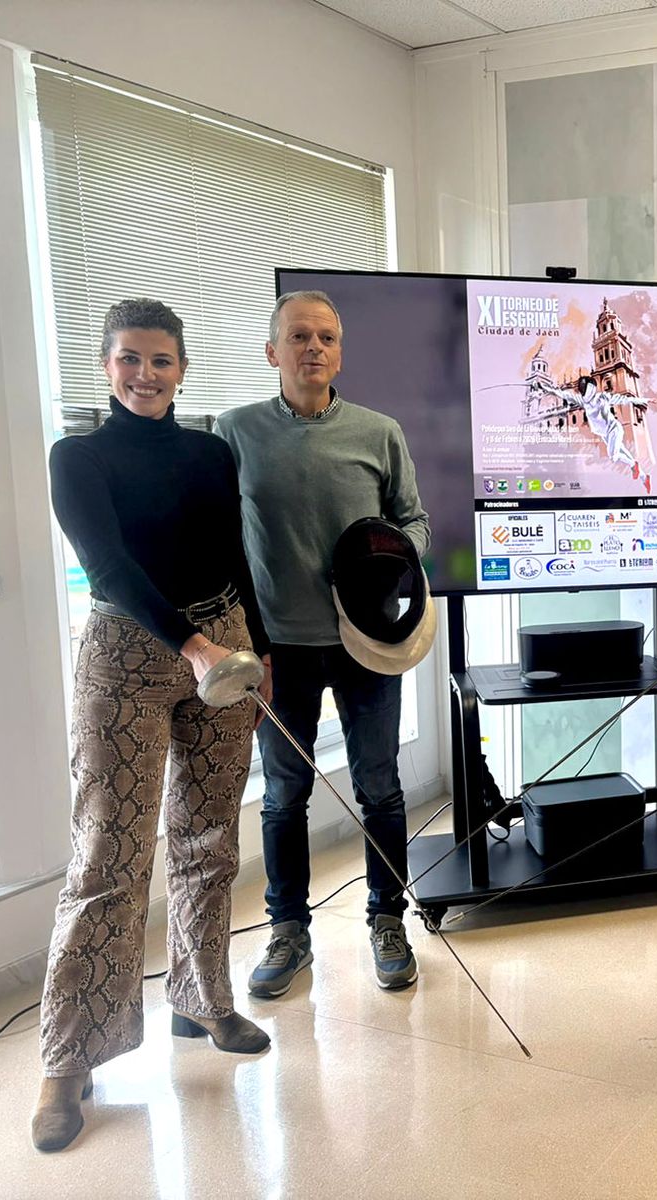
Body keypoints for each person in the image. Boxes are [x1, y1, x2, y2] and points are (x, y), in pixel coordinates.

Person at [35, 299, 272, 1153]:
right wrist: (195, 647)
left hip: (226, 646)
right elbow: (109, 565)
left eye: (161, 361)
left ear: (183, 368)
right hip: (128, 655)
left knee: (210, 839)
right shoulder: (77, 456)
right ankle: (67, 1060)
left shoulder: (210, 452)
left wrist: (258, 647)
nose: (146, 374)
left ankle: (204, 1000)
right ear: (106, 366)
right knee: (109, 852)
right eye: (129, 359)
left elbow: (236, 556)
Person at [215, 291, 430, 997]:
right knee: (284, 795)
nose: (315, 348)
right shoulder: (235, 433)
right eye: (299, 336)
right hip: (280, 650)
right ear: (271, 350)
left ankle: (387, 921)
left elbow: (416, 524)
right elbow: (221, 542)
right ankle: (287, 931)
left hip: (368, 643)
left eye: (328, 338)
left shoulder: (379, 431)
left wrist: (392, 559)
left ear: (340, 351)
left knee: (381, 788)